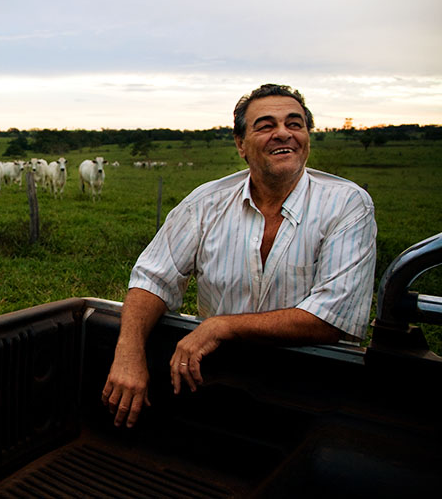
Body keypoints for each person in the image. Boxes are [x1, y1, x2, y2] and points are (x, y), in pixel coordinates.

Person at [101, 84, 377, 428]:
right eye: (265, 126)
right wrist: (129, 353)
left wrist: (222, 326)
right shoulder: (206, 203)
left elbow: (332, 316)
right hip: (215, 380)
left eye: (295, 124)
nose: (283, 134)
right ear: (240, 144)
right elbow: (153, 279)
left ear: (307, 136)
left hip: (314, 387)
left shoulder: (347, 204)